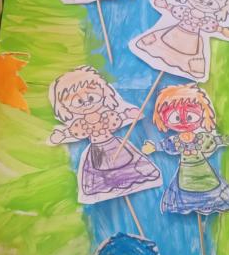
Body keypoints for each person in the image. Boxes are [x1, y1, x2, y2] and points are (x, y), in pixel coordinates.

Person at [49, 66, 161, 203]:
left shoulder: (107, 115)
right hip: (98, 151)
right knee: (103, 173)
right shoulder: (81, 124)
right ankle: (113, 186)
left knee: (126, 165)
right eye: (79, 101)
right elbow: (73, 132)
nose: (86, 103)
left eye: (91, 97)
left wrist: (128, 114)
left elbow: (119, 118)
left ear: (103, 91)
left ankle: (126, 182)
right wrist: (62, 135)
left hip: (113, 145)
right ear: (65, 106)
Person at [143, 84, 229, 215]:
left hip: (205, 173)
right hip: (186, 177)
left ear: (203, 113)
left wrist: (226, 140)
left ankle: (207, 205)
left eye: (190, 116)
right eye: (176, 117)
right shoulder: (176, 141)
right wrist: (154, 147)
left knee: (210, 189)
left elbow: (214, 141)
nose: (184, 121)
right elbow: (167, 145)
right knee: (187, 192)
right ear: (164, 119)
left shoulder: (201, 138)